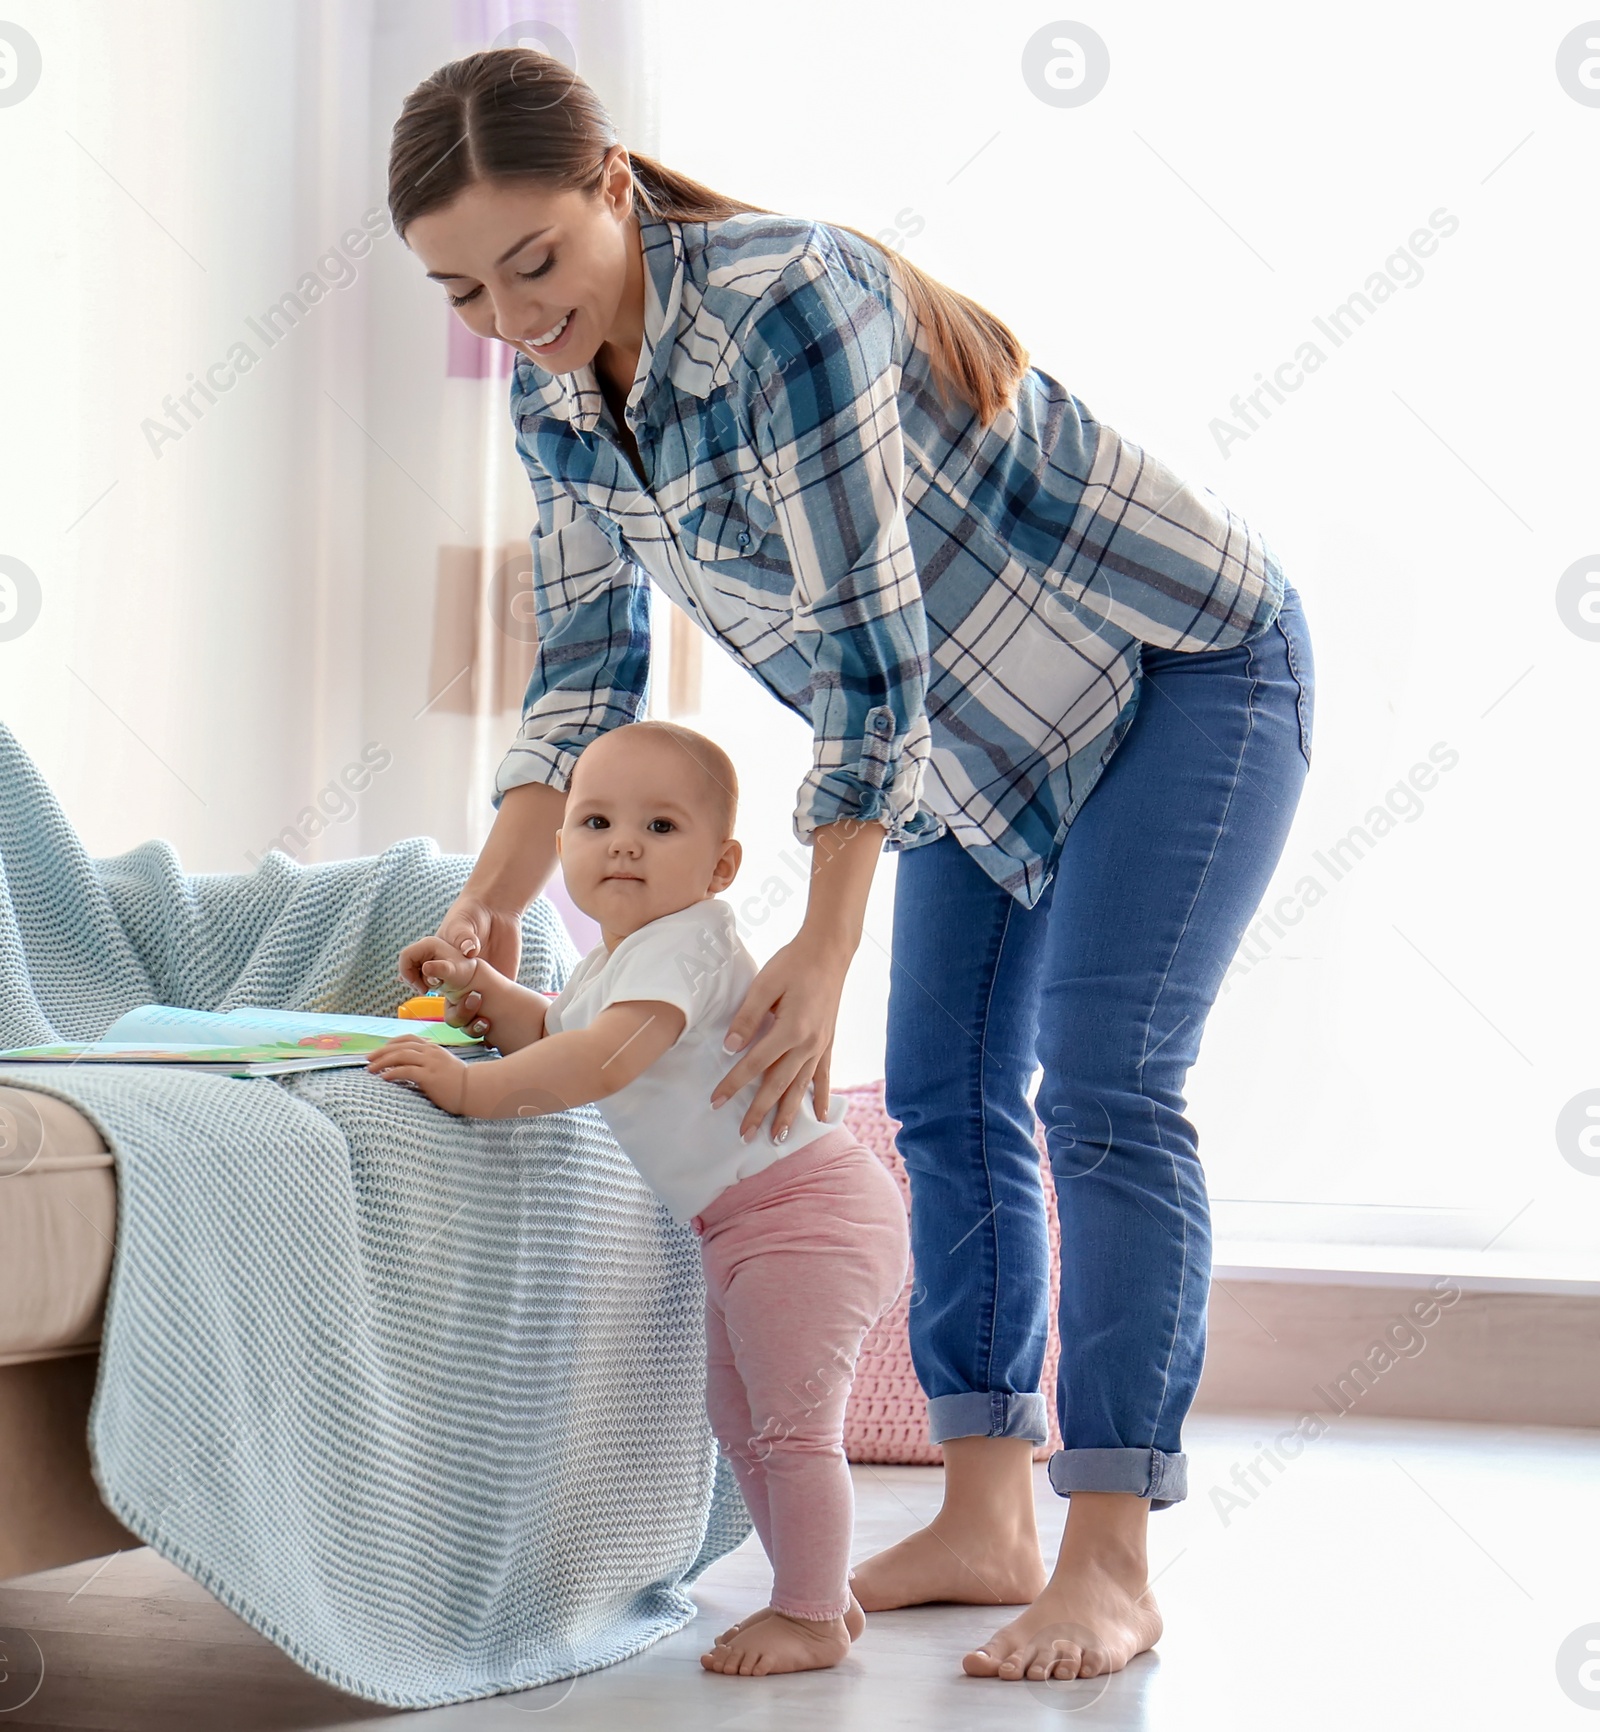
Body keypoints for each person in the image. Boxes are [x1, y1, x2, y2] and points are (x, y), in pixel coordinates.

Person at [388, 47, 1313, 1684]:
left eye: (533, 260)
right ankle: (987, 1509)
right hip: (971, 748)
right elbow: (584, 678)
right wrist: (491, 897)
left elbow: (867, 653)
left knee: (1100, 1083)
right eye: (464, 287)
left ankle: (1109, 1551)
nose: (510, 312)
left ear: (614, 188)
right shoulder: (552, 396)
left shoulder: (788, 301)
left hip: (1176, 671)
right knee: (947, 1095)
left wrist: (817, 944)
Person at [365, 720, 908, 1678]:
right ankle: (818, 1599)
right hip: (751, 1220)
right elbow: (559, 1026)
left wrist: (469, 1089)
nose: (622, 843)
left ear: (721, 865)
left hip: (801, 1215)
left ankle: (813, 1614)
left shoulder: (686, 944)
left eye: (660, 827)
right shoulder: (614, 965)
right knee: (743, 1421)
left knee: (791, 1428)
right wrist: (480, 987)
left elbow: (601, 1061)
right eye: (595, 821)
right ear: (561, 845)